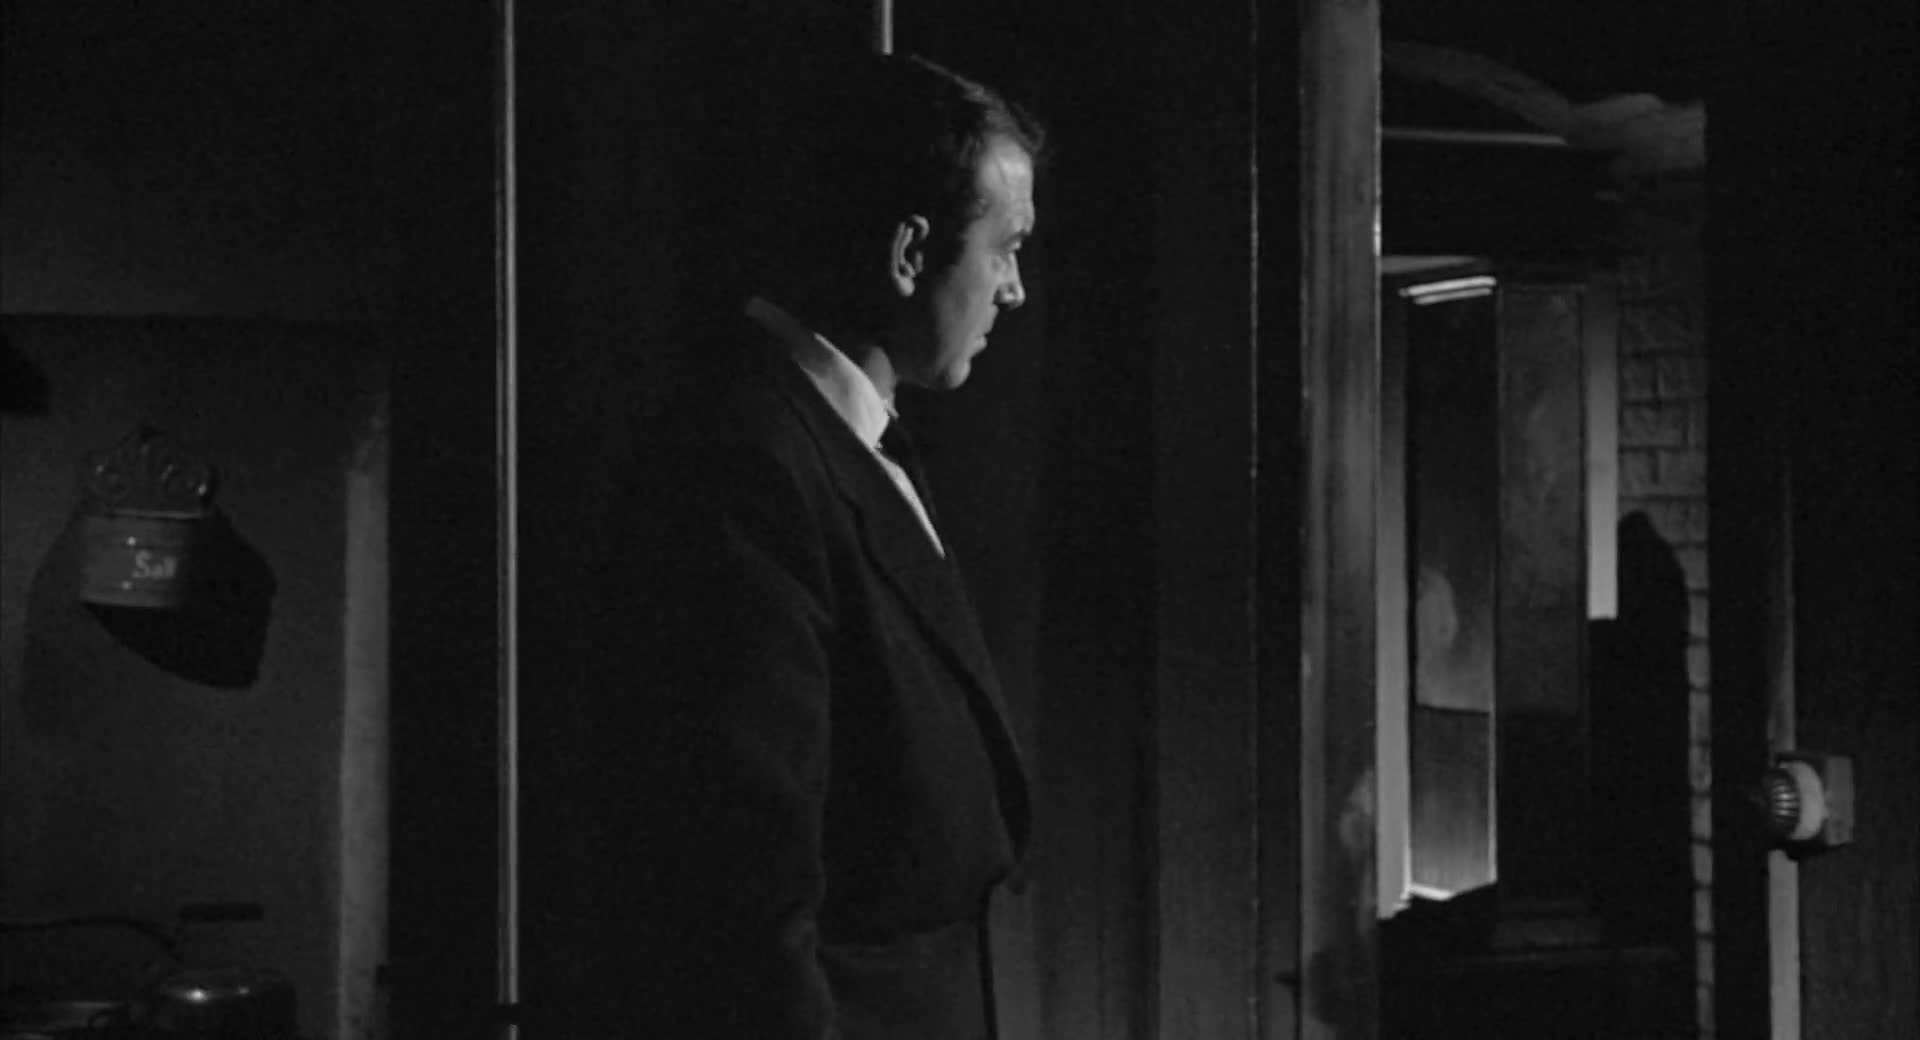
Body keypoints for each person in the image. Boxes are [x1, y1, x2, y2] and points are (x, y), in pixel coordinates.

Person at [555, 53, 1044, 1039]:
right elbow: (744, 893)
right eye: (1005, 248)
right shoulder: (746, 467)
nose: (1015, 289)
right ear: (910, 252)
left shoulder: (841, 442)